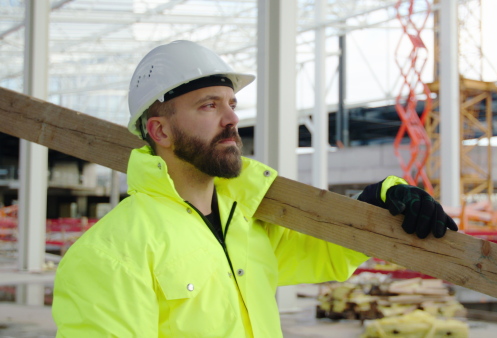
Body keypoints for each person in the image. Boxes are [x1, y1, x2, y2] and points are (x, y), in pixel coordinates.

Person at [52, 40, 457, 337]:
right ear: (160, 130)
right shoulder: (109, 255)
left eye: (232, 104)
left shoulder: (244, 225)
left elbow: (327, 251)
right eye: (209, 105)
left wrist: (380, 200)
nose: (231, 119)